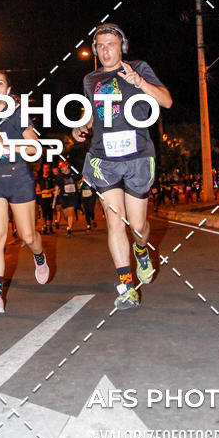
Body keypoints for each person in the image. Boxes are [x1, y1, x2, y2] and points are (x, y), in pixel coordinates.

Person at [72, 23, 172, 309]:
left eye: (110, 45)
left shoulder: (139, 67)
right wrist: (80, 127)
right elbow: (91, 113)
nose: (105, 50)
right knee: (115, 220)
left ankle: (141, 249)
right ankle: (126, 286)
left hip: (138, 156)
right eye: (100, 46)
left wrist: (139, 82)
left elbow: (166, 101)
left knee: (138, 225)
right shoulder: (90, 80)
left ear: (122, 47)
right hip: (104, 158)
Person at [0, 70, 49, 314]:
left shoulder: (19, 114)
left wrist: (4, 144)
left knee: (28, 237)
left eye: (0, 83)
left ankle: (39, 256)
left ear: (8, 89)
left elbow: (35, 149)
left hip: (19, 176)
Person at [55, 158, 78, 236]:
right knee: (65, 215)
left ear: (67, 166)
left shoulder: (73, 173)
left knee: (70, 212)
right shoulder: (59, 176)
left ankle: (69, 229)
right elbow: (57, 184)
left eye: (63, 167)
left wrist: (79, 185)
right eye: (60, 167)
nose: (62, 169)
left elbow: (81, 179)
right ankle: (69, 222)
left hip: (72, 196)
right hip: (64, 197)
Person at [37, 162, 55, 234]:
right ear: (43, 169)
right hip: (42, 198)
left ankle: (50, 226)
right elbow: (37, 187)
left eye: (47, 168)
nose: (46, 170)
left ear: (49, 169)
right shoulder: (40, 178)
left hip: (50, 198)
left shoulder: (52, 178)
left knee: (50, 213)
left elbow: (55, 187)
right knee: (43, 213)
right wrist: (38, 190)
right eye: (45, 168)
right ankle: (44, 226)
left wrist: (49, 191)